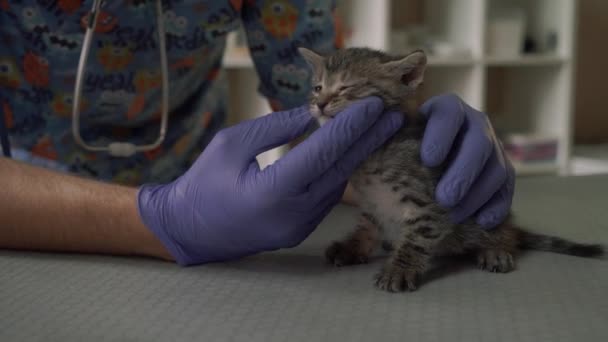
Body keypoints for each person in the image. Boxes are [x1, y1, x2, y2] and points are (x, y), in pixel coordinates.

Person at [0, 1, 514, 266]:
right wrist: (160, 220)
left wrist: (420, 164)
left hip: (206, 186)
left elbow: (326, 114)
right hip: (28, 211)